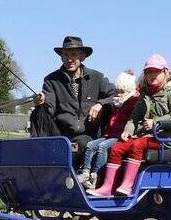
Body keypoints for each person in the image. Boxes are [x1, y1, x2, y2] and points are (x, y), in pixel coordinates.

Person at [88, 54, 171, 197]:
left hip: (163, 138)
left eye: (156, 72)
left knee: (137, 144)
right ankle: (107, 187)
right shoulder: (144, 95)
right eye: (149, 72)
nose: (152, 75)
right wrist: (127, 131)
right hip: (144, 136)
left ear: (165, 73)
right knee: (117, 147)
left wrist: (156, 121)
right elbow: (134, 117)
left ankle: (127, 186)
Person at [31, 36, 115, 166]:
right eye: (65, 55)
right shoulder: (51, 80)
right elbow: (49, 108)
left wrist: (100, 104)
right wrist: (41, 102)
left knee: (79, 144)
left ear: (82, 57)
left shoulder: (97, 78)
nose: (69, 59)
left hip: (88, 136)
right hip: (61, 136)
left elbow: (113, 95)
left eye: (73, 54)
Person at [76, 73, 140, 189]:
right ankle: (85, 172)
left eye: (122, 92)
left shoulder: (133, 103)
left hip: (120, 135)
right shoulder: (114, 103)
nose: (118, 94)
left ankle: (97, 175)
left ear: (129, 91)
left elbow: (132, 121)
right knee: (90, 145)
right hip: (110, 133)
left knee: (103, 147)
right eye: (117, 91)